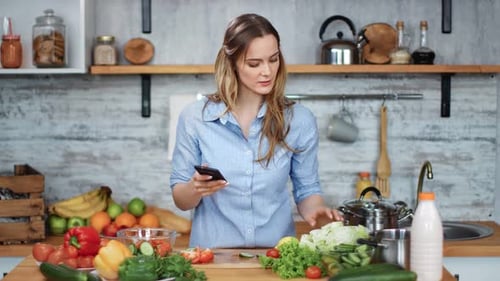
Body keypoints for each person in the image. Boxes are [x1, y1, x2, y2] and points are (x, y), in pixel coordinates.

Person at [170, 13, 342, 248]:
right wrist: (194, 188)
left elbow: (307, 190)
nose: (267, 71)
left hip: (276, 257)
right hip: (211, 259)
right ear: (232, 63)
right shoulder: (195, 119)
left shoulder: (300, 120)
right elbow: (181, 199)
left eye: (273, 59)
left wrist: (317, 211)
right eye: (254, 64)